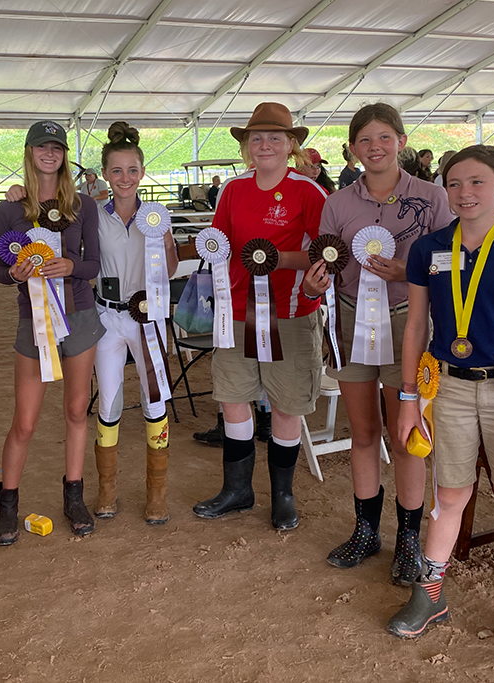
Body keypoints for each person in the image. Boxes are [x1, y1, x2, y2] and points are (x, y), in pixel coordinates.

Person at [389, 145, 494, 674]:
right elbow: (416, 326)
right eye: (455, 182)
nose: (465, 192)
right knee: (451, 496)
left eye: (478, 182)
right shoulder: (428, 248)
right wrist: (408, 398)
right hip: (452, 388)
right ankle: (430, 592)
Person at [304, 102, 455, 585]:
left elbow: (456, 263)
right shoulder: (338, 202)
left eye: (384, 138)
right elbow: (328, 261)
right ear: (352, 149)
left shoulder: (432, 196)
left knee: (407, 436)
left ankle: (409, 539)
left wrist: (412, 273)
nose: (375, 148)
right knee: (363, 432)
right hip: (351, 324)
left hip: (409, 325)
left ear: (402, 143)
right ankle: (366, 530)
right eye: (365, 141)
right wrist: (313, 285)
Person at [192, 102, 326, 531]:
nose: (264, 144)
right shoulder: (233, 190)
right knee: (233, 398)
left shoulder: (308, 192)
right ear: (247, 146)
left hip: (289, 313)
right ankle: (238, 489)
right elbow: (220, 241)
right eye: (256, 138)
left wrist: (273, 259)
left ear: (291, 146)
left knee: (287, 406)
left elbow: (326, 251)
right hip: (236, 312)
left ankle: (283, 495)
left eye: (274, 137)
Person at [0, 120, 104, 542]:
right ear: (29, 152)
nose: (50, 153)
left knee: (77, 411)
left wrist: (72, 266)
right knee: (24, 421)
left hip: (80, 318)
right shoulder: (10, 208)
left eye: (57, 147)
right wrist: (17, 272)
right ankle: (8, 502)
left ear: (64, 155)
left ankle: (74, 496)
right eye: (42, 146)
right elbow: (1, 273)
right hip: (32, 321)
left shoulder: (84, 205)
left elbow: (93, 263)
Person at [88, 122, 178, 524]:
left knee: (154, 398)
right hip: (106, 317)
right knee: (108, 401)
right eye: (117, 170)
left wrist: (168, 242)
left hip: (148, 316)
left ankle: (156, 492)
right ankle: (106, 488)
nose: (125, 178)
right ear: (106, 174)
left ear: (142, 173)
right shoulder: (92, 215)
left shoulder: (157, 216)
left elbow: (171, 269)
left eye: (132, 170)